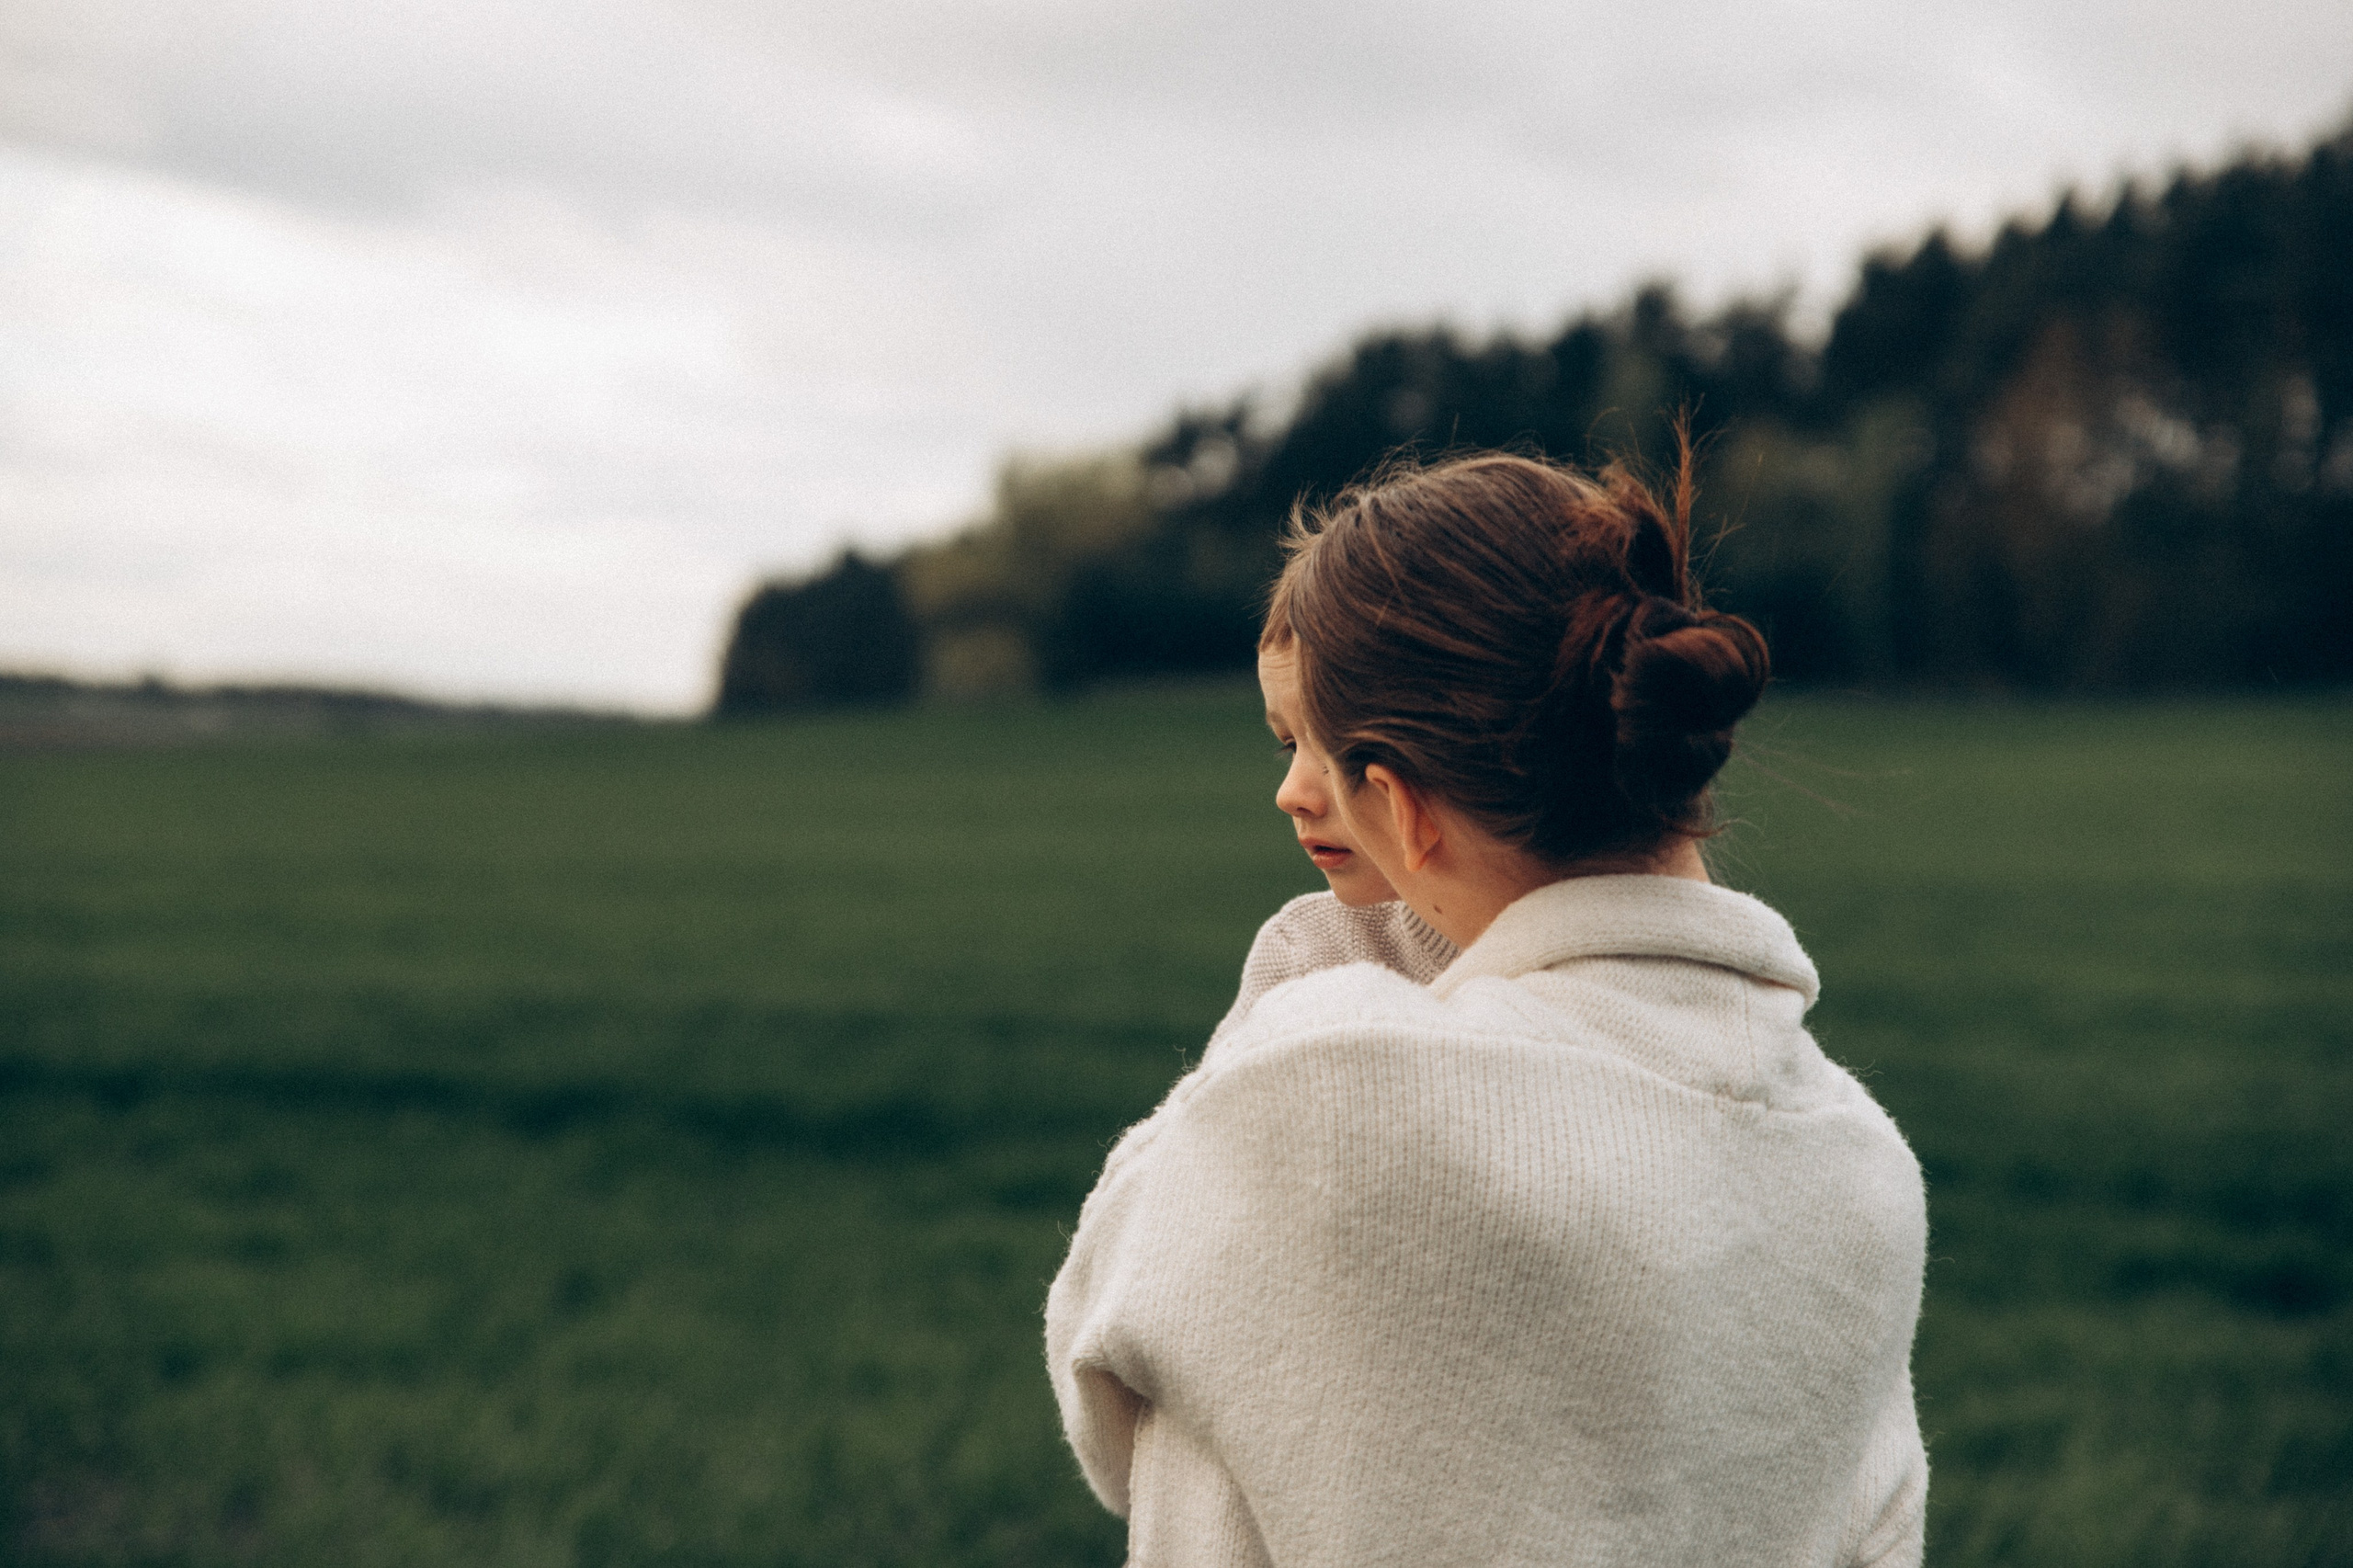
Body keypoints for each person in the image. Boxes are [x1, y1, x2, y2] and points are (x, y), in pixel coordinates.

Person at [1045, 448, 1929, 1567]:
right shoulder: (1866, 1168)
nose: (1293, 788)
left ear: (1404, 812)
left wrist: (1314, 968)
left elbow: (1101, 1373)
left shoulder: (1324, 1080)